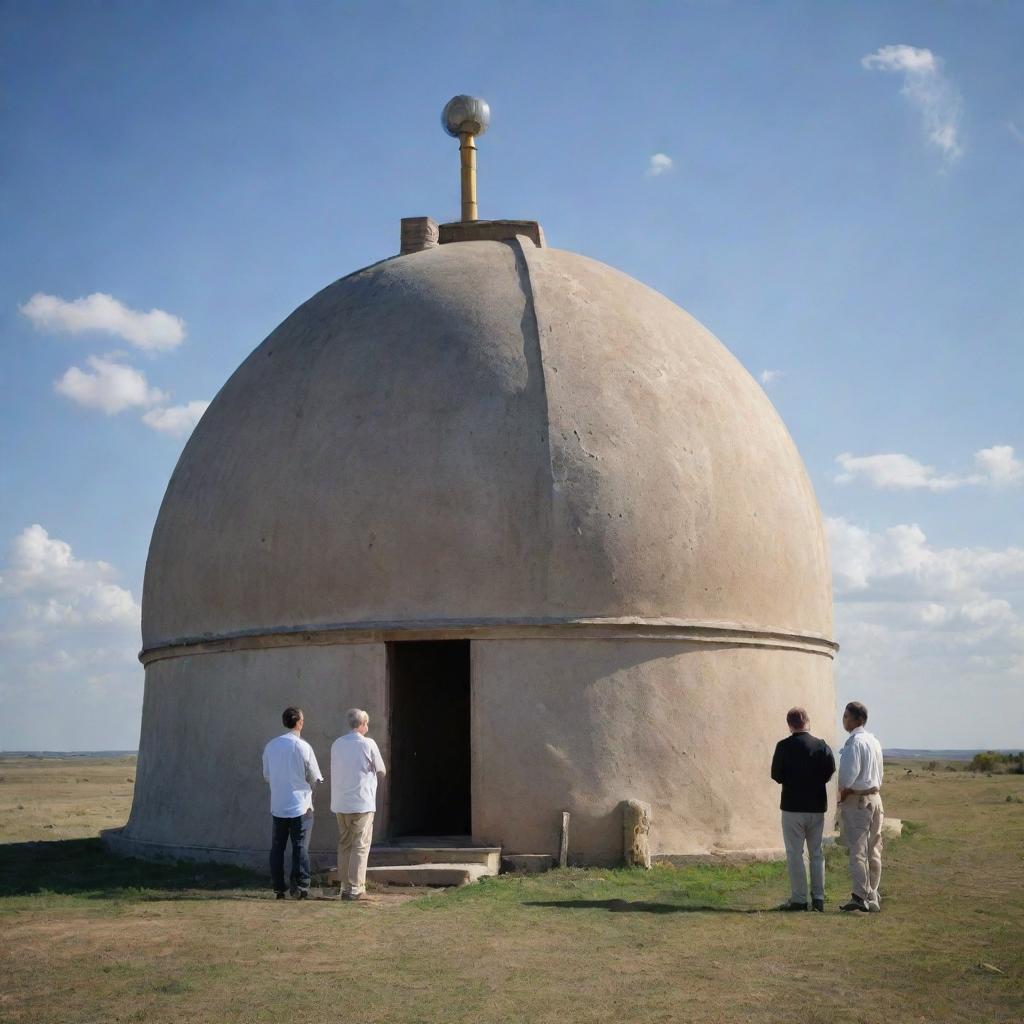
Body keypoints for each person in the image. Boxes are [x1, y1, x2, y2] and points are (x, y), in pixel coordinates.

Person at [770, 707, 836, 911]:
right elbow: (830, 770)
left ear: (789, 724)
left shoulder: (783, 746)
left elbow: (777, 775)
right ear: (808, 721)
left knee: (795, 853)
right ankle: (818, 898)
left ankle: (799, 899)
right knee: (816, 852)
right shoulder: (821, 746)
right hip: (816, 807)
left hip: (792, 807)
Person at [262, 706, 323, 900]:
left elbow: (267, 775)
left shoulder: (271, 745)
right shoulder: (303, 746)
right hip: (300, 804)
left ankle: (279, 888)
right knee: (300, 846)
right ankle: (302, 886)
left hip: (278, 804)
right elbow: (315, 776)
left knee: (277, 847)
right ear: (299, 722)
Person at [331, 708, 386, 902]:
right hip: (361, 802)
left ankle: (345, 886)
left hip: (340, 802)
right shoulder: (368, 743)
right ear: (362, 724)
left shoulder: (337, 743)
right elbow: (381, 769)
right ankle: (356, 887)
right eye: (366, 723)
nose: (368, 727)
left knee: (345, 843)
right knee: (360, 845)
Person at [837, 700, 884, 913]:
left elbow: (847, 777)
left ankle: (859, 896)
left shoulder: (854, 742)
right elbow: (880, 774)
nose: (843, 719)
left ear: (857, 719)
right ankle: (872, 893)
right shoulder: (874, 741)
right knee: (874, 848)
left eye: (846, 716)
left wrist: (843, 794)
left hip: (859, 800)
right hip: (876, 798)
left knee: (858, 850)